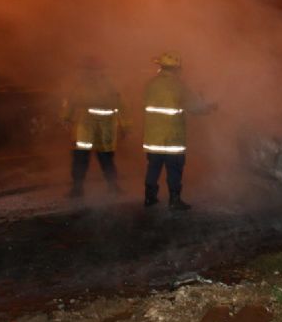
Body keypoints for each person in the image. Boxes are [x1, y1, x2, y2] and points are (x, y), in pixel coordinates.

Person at [142, 51, 216, 211]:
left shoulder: (150, 84)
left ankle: (149, 198)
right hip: (172, 138)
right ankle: (174, 200)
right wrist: (208, 108)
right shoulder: (179, 86)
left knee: (153, 167)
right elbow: (195, 107)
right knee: (174, 168)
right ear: (176, 69)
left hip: (153, 138)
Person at [60, 56, 128, 197]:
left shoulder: (109, 85)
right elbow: (71, 102)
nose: (92, 72)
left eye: (94, 69)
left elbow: (121, 106)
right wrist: (66, 118)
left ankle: (111, 186)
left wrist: (126, 126)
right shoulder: (84, 85)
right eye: (90, 69)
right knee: (82, 158)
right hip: (89, 128)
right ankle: (79, 188)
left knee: (104, 159)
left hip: (98, 128)